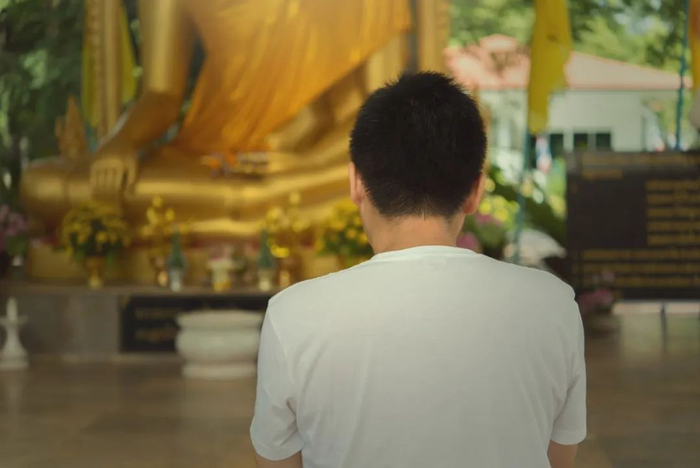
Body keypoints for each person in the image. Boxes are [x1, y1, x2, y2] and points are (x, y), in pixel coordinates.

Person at [250, 72, 586, 468]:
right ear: (475, 191)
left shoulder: (293, 315)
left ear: (356, 182)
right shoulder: (553, 305)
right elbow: (558, 458)